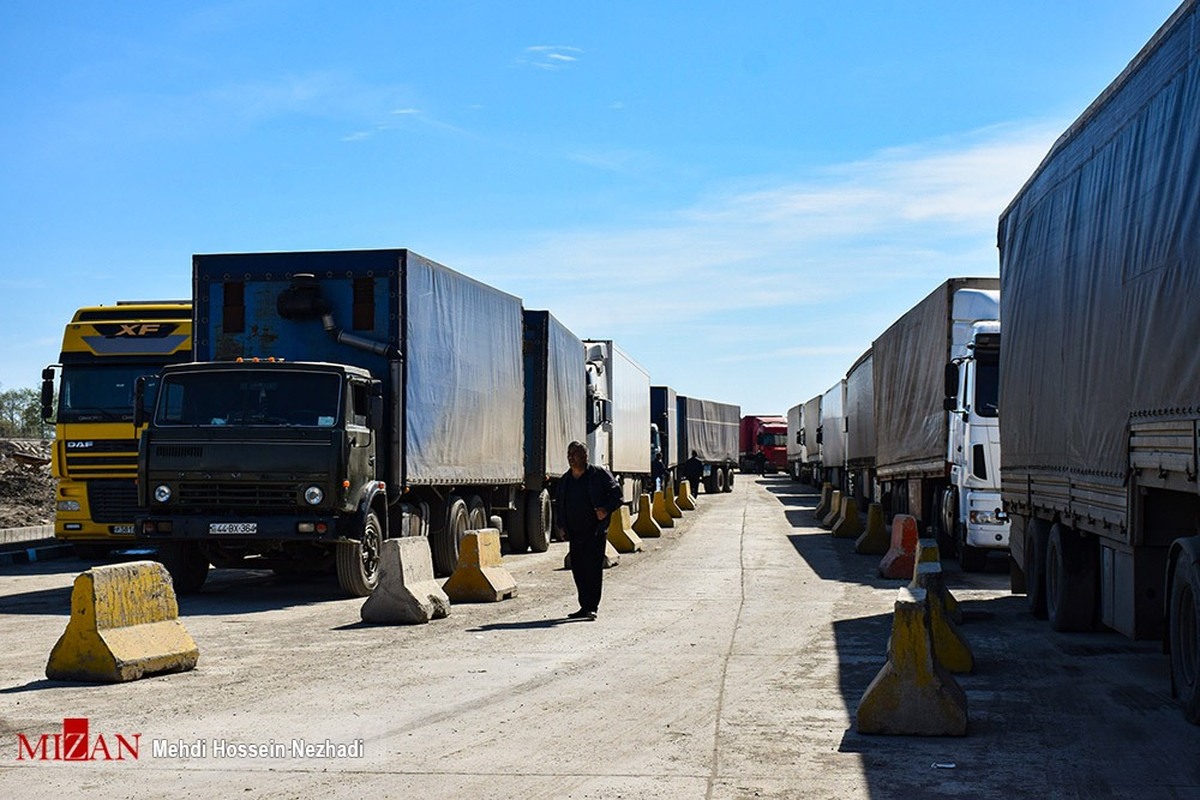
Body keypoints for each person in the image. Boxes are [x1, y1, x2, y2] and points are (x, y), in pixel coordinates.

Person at [554, 440, 623, 621]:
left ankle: (592, 606)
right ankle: (583, 605)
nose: (570, 458)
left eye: (574, 454)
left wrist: (605, 510)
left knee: (592, 569)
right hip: (574, 533)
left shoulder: (598, 475)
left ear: (585, 456)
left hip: (594, 532)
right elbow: (560, 504)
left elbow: (617, 494)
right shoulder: (565, 480)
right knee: (578, 569)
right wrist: (560, 525)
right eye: (569, 454)